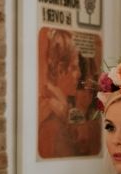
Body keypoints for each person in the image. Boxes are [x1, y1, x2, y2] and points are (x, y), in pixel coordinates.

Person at [37, 28, 101, 158]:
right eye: (73, 68)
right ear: (60, 70)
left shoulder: (62, 108)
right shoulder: (51, 118)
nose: (79, 75)